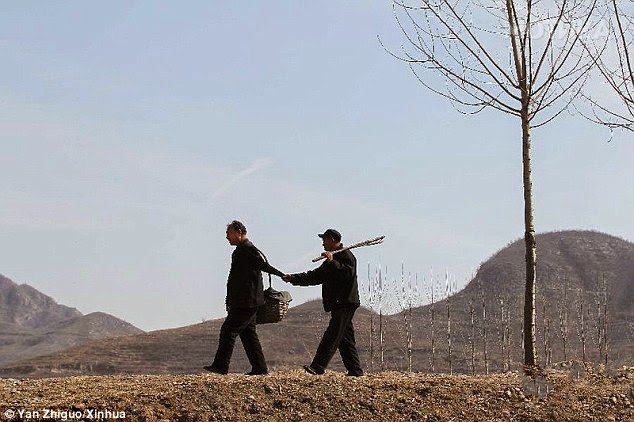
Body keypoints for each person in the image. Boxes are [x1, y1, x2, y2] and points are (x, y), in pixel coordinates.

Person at [204, 220, 284, 376]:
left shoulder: (248, 249)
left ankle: (221, 366)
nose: (227, 237)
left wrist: (282, 275)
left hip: (247, 302)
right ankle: (260, 368)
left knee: (228, 331)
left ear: (238, 232)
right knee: (248, 335)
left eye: (229, 233)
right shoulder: (241, 250)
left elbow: (262, 265)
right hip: (244, 301)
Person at [282, 229, 364, 376]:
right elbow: (315, 276)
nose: (322, 243)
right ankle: (355, 371)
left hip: (345, 302)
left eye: (324, 240)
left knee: (332, 335)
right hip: (338, 303)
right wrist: (293, 278)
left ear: (332, 240)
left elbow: (347, 274)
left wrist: (332, 261)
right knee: (345, 339)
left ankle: (318, 366)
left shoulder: (346, 256)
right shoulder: (331, 259)